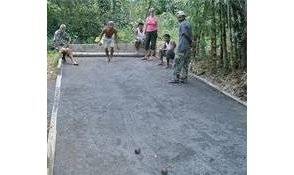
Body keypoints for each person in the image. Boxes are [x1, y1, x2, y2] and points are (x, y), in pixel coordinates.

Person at [169, 11, 193, 84]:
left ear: (183, 17)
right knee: (185, 61)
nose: (178, 19)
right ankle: (184, 78)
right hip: (187, 46)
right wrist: (191, 42)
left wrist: (189, 41)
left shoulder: (182, 24)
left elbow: (184, 34)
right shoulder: (189, 24)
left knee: (177, 61)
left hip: (182, 45)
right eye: (178, 17)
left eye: (180, 17)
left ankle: (175, 78)